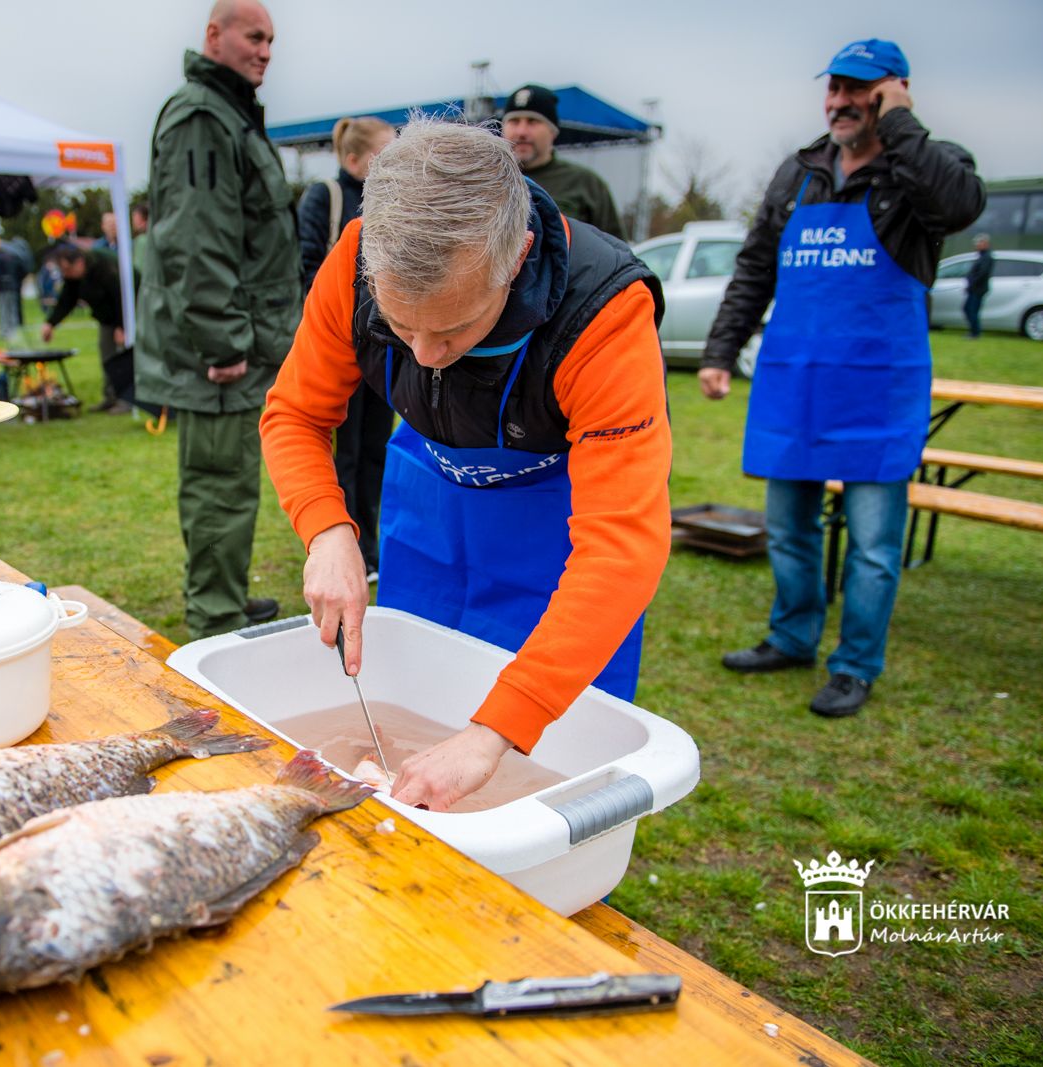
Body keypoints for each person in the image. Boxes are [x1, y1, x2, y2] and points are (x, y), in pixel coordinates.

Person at [262, 120, 671, 811]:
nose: (421, 355)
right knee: (418, 720)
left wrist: (492, 733)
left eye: (451, 330)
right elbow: (295, 415)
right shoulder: (358, 256)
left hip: (560, 540)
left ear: (516, 261)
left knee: (525, 773)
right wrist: (328, 530)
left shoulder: (604, 313)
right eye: (399, 327)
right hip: (429, 512)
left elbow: (621, 548)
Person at [700, 39, 985, 718]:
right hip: (794, 381)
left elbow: (959, 207)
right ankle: (792, 637)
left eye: (859, 89)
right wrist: (720, 349)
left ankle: (855, 664)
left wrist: (903, 126)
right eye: (833, 88)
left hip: (878, 388)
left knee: (875, 546)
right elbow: (754, 269)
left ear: (894, 92)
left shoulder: (922, 166)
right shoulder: (800, 172)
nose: (839, 101)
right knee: (790, 528)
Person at [135, 0, 300, 638]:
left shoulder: (225, 114)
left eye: (271, 40)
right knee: (219, 485)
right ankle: (215, 618)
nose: (264, 50)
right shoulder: (203, 116)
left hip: (238, 339)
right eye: (253, 36)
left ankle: (223, 596)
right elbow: (194, 240)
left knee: (229, 481)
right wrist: (222, 338)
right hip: (222, 348)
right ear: (214, 36)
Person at [296, 116, 396, 581]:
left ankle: (373, 545)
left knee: (378, 446)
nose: (395, 161)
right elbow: (307, 265)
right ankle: (346, 541)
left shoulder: (398, 200)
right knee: (347, 452)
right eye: (385, 153)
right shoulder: (327, 197)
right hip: (343, 344)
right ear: (355, 160)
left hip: (388, 344)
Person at [501, 84, 623, 238]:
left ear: (553, 131)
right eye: (514, 121)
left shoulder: (586, 184)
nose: (522, 132)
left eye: (532, 122)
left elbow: (617, 253)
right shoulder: (487, 179)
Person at [40, 241, 130, 413]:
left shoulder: (105, 267)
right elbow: (67, 300)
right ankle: (110, 397)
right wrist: (50, 323)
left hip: (128, 313)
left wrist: (122, 326)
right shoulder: (75, 277)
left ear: (79, 262)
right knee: (107, 355)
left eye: (68, 270)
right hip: (107, 318)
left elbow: (121, 296)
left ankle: (126, 400)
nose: (67, 275)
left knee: (124, 357)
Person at [0, 237, 23, 341]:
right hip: (13, 285)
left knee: (3, 309)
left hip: (2, 287)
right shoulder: (10, 256)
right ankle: (14, 331)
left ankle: (5, 331)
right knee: (12, 309)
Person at [964, 233, 993, 339]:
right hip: (974, 288)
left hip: (977, 289)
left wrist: (972, 282)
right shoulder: (981, 256)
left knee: (972, 310)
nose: (976, 245)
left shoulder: (986, 257)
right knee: (968, 309)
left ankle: (975, 332)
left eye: (979, 243)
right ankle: (974, 331)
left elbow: (982, 273)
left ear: (985, 243)